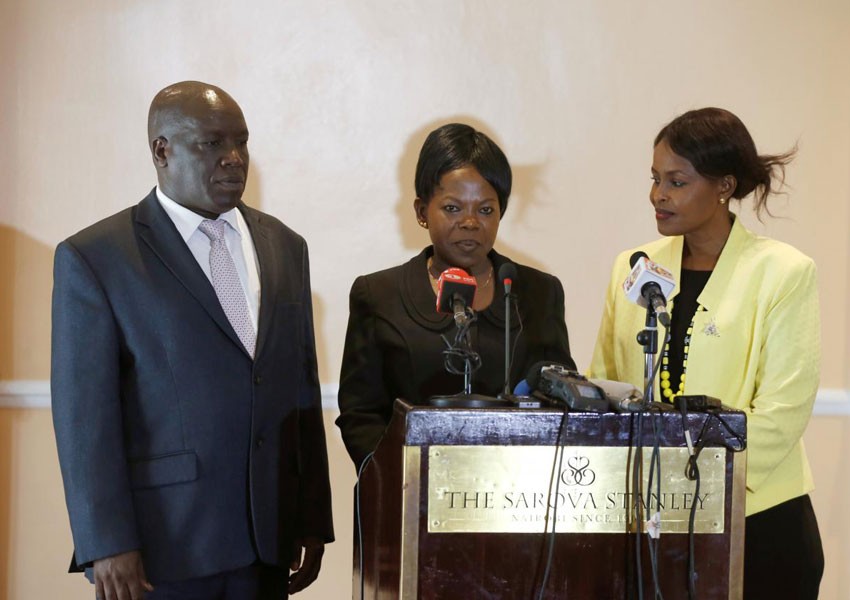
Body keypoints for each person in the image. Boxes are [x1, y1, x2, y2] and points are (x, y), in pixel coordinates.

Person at [51, 81, 334, 600]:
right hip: (164, 549)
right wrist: (106, 541)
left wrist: (312, 516)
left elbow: (301, 390)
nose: (233, 159)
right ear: (162, 150)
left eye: (242, 143)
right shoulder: (96, 258)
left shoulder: (285, 246)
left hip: (267, 539)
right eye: (213, 143)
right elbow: (83, 418)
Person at [587, 107, 824, 598]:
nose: (658, 194)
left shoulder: (784, 272)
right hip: (650, 521)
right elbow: (605, 383)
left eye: (676, 180)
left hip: (757, 523)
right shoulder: (633, 267)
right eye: (655, 178)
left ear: (723, 186)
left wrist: (695, 485)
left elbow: (783, 411)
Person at [336, 123, 575, 469]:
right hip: (408, 493)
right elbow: (360, 415)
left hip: (516, 495)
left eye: (485, 209)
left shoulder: (539, 292)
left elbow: (559, 399)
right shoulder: (378, 295)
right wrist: (399, 478)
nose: (469, 222)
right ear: (421, 211)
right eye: (452, 208)